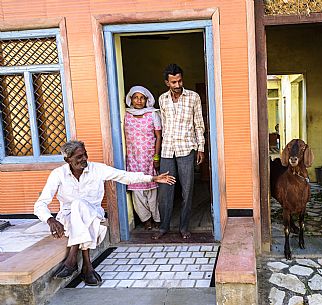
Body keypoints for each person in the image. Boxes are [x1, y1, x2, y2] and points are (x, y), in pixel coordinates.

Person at [34, 140, 175, 286]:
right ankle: (87, 267)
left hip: (94, 215)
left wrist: (152, 178)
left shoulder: (97, 169)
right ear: (67, 160)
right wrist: (50, 219)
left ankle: (72, 259)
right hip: (68, 219)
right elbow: (40, 204)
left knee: (79, 205)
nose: (84, 159)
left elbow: (123, 176)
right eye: (79, 157)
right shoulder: (58, 174)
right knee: (77, 206)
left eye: (85, 154)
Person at [154, 63, 205, 240]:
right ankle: (164, 226)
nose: (177, 85)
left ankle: (184, 227)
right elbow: (163, 125)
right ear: (167, 82)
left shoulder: (193, 97)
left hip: (186, 148)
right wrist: (158, 154)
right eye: (173, 82)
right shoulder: (162, 99)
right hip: (168, 149)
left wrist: (201, 148)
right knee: (165, 190)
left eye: (180, 81)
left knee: (187, 190)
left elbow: (199, 124)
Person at [124, 86, 162, 230]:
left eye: (142, 97)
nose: (139, 100)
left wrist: (156, 157)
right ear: (130, 99)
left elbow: (158, 136)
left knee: (152, 189)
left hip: (149, 157)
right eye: (135, 97)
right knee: (137, 190)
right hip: (133, 158)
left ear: (147, 100)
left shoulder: (153, 114)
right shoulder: (126, 114)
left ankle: (157, 218)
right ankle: (146, 219)